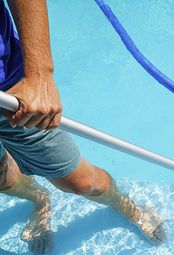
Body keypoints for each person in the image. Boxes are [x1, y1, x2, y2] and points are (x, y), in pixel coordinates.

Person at [0, 0, 165, 253]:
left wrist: (40, 75)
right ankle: (39, 199)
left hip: (10, 95)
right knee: (2, 179)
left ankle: (125, 204)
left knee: (82, 183)